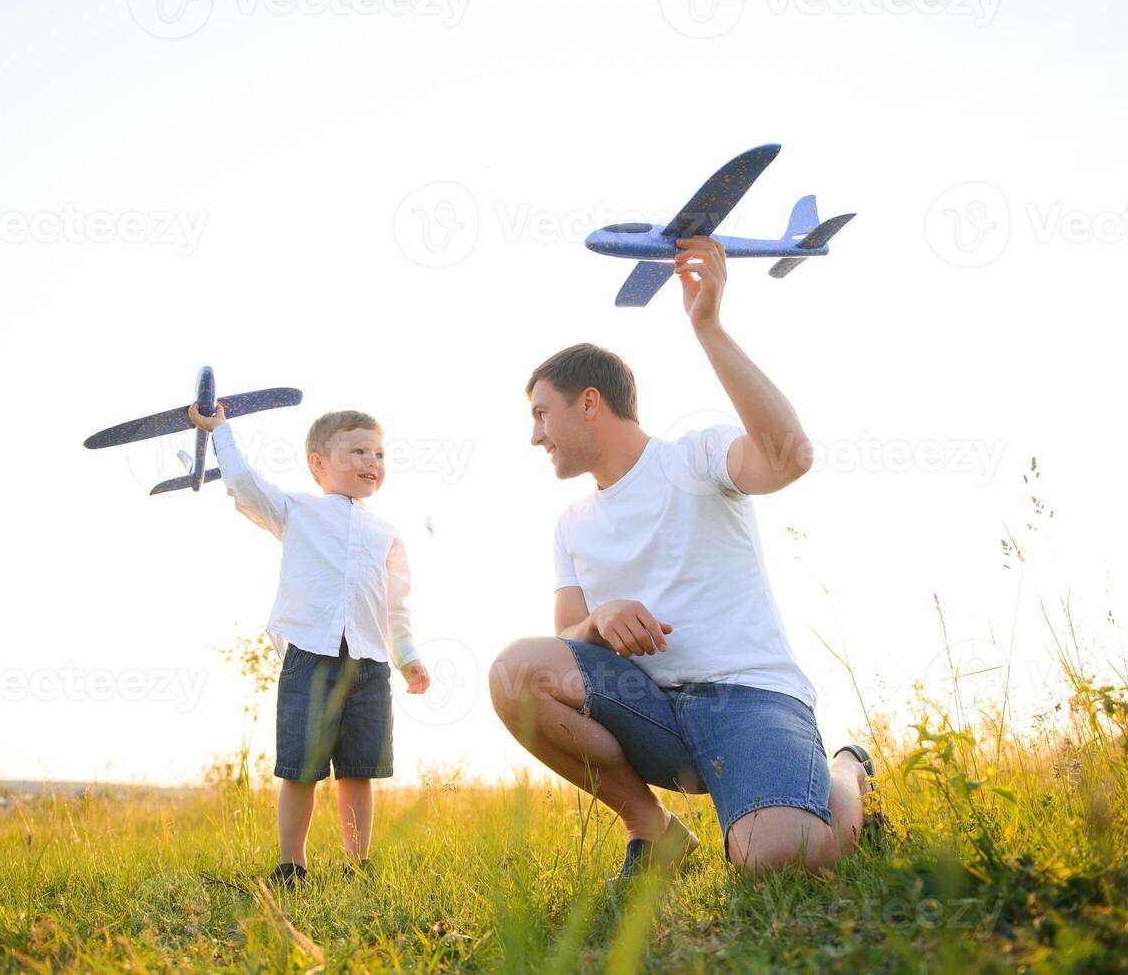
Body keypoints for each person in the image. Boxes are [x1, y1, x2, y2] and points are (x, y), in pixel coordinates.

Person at [489, 236, 874, 880]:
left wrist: (709, 327)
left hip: (750, 699)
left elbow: (789, 458)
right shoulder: (572, 525)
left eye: (541, 415)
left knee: (783, 859)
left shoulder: (694, 459)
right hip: (650, 709)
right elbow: (565, 644)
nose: (534, 436)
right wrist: (599, 620)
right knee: (512, 674)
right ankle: (655, 833)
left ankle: (847, 769)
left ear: (589, 402)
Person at [190, 402, 430, 888]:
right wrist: (220, 431)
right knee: (300, 769)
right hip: (310, 658)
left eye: (379, 454)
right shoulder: (297, 511)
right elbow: (246, 485)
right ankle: (291, 865)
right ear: (319, 463)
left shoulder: (386, 533)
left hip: (369, 665)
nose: (372, 462)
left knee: (359, 770)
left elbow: (395, 606)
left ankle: (356, 863)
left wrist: (408, 657)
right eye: (358, 450)